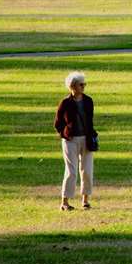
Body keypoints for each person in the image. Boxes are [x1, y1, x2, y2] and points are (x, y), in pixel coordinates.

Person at [54, 71, 96, 211]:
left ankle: (85, 200)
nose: (84, 86)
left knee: (87, 170)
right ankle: (64, 202)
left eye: (84, 84)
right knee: (71, 171)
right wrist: (65, 134)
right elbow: (58, 123)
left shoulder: (88, 101)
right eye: (81, 84)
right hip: (70, 140)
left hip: (86, 139)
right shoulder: (65, 103)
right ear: (72, 86)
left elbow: (90, 121)